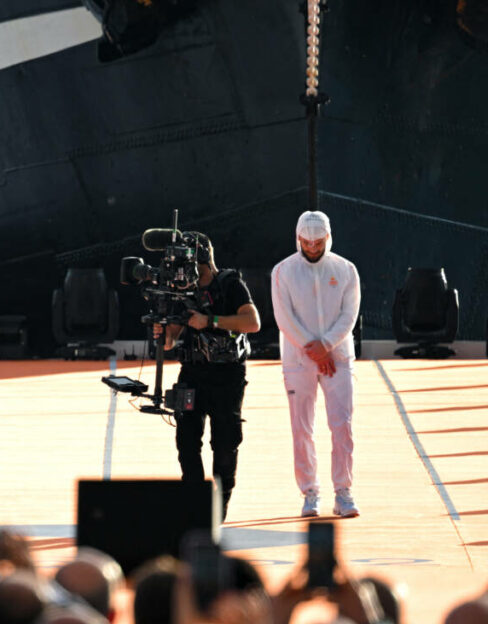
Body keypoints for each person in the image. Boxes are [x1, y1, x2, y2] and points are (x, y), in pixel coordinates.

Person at [153, 232, 261, 522]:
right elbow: (172, 338)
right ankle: (194, 505)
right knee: (186, 442)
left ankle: (218, 509)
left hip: (227, 376)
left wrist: (210, 321)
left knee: (225, 445)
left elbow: (252, 322)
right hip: (192, 373)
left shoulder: (230, 284)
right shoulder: (181, 291)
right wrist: (163, 334)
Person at [271, 210, 361, 518]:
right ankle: (310, 492)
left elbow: (349, 315)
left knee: (342, 425)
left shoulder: (346, 270)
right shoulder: (282, 272)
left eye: (318, 242)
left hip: (338, 358)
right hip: (299, 360)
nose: (312, 248)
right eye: (306, 242)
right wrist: (314, 350)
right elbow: (284, 318)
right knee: (302, 429)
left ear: (328, 238)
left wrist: (327, 346)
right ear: (297, 239)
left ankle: (343, 491)